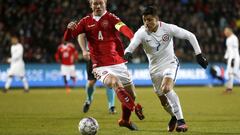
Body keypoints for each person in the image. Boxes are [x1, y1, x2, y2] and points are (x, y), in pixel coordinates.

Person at [124, 6, 208, 132]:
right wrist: (128, 52)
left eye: (150, 20)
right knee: (163, 102)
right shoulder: (141, 32)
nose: (147, 23)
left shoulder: (168, 28)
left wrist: (199, 55)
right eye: (144, 20)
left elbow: (190, 36)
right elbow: (132, 44)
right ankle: (173, 116)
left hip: (170, 63)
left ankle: (181, 121)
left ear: (157, 19)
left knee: (166, 88)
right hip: (154, 70)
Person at [64, 0, 144, 130]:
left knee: (132, 95)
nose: (98, 6)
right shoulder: (85, 21)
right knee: (114, 82)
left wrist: (132, 38)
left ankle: (125, 120)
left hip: (118, 62)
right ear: (91, 5)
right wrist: (68, 29)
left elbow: (123, 28)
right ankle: (133, 108)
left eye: (100, 3)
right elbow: (69, 38)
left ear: (105, 4)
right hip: (99, 65)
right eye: (95, 3)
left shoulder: (112, 18)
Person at [77, 34, 116, 114]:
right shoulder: (87, 22)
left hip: (106, 56)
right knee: (91, 82)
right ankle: (88, 99)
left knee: (109, 82)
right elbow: (81, 35)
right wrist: (84, 50)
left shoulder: (108, 23)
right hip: (92, 56)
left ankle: (111, 106)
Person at [223, 27, 240, 92]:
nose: (225, 33)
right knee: (230, 73)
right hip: (230, 58)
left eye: (225, 31)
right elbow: (228, 49)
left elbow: (235, 49)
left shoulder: (234, 38)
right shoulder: (228, 39)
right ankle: (229, 88)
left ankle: (229, 88)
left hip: (235, 57)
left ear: (229, 31)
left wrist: (233, 59)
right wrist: (225, 57)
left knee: (235, 73)